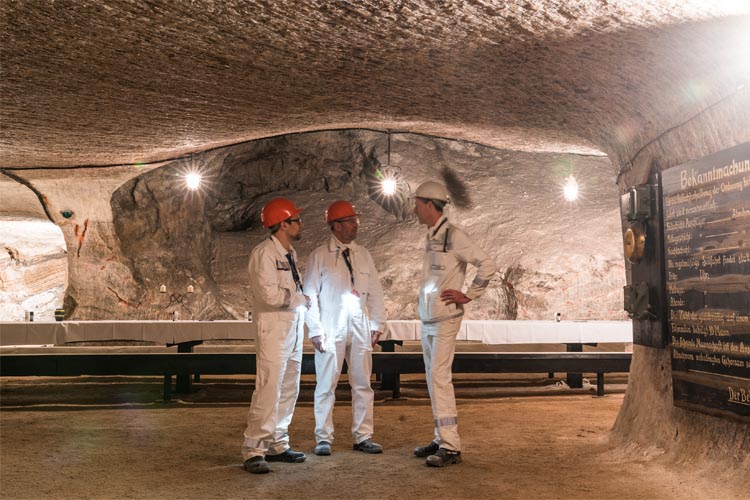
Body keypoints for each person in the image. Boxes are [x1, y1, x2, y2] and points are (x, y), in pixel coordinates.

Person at [411, 181, 497, 467]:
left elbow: (487, 264)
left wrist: (469, 295)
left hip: (446, 319)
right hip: (429, 319)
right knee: (433, 380)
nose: (414, 209)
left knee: (439, 378)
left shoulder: (454, 236)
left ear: (429, 204)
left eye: (417, 204)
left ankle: (451, 446)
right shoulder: (431, 235)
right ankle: (440, 437)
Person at [303, 200, 387, 456]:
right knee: (326, 384)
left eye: (355, 220)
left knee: (362, 383)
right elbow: (309, 295)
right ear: (336, 225)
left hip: (359, 324)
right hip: (331, 325)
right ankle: (323, 437)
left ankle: (363, 436)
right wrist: (315, 330)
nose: (355, 225)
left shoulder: (363, 254)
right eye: (350, 221)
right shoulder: (320, 256)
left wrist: (377, 323)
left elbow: (374, 291)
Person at [241, 197, 310, 474]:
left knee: (288, 388)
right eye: (296, 220)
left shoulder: (289, 253)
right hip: (273, 329)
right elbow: (268, 295)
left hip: (291, 329)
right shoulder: (264, 254)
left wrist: (300, 302)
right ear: (283, 224)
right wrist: (298, 298)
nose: (300, 224)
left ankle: (278, 442)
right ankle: (254, 449)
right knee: (269, 388)